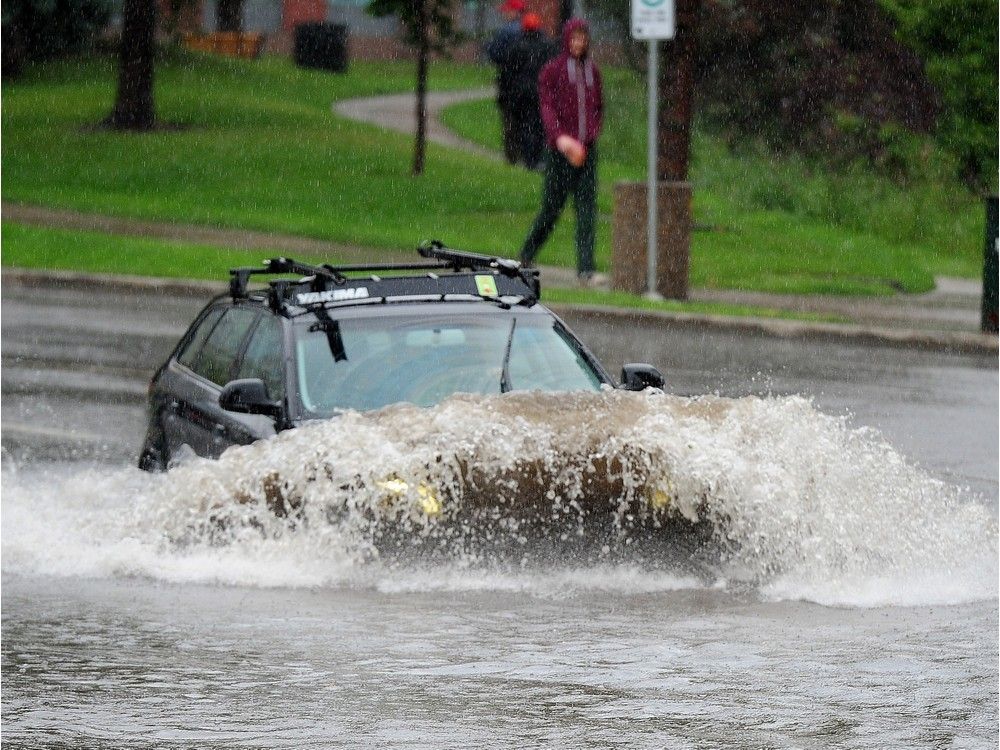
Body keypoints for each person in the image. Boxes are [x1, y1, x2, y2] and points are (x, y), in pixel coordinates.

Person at [519, 18, 603, 285]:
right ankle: (526, 255)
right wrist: (561, 139)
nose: (579, 43)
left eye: (583, 38)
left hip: (586, 151)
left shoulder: (593, 72)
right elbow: (547, 108)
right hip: (560, 152)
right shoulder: (553, 71)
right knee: (551, 209)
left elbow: (598, 108)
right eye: (574, 38)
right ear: (567, 40)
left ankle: (586, 270)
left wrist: (590, 135)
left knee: (587, 209)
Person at [505, 13, 557, 169]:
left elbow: (508, 73)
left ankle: (529, 159)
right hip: (541, 93)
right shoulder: (547, 46)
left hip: (522, 94)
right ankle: (538, 157)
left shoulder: (516, 47)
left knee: (525, 126)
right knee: (539, 125)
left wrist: (509, 94)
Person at [485, 0, 526, 165]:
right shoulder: (532, 30)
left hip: (509, 85)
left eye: (506, 10)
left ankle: (512, 158)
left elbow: (494, 54)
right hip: (529, 86)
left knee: (510, 123)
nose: (503, 14)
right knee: (527, 122)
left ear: (515, 11)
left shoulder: (505, 32)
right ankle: (528, 157)